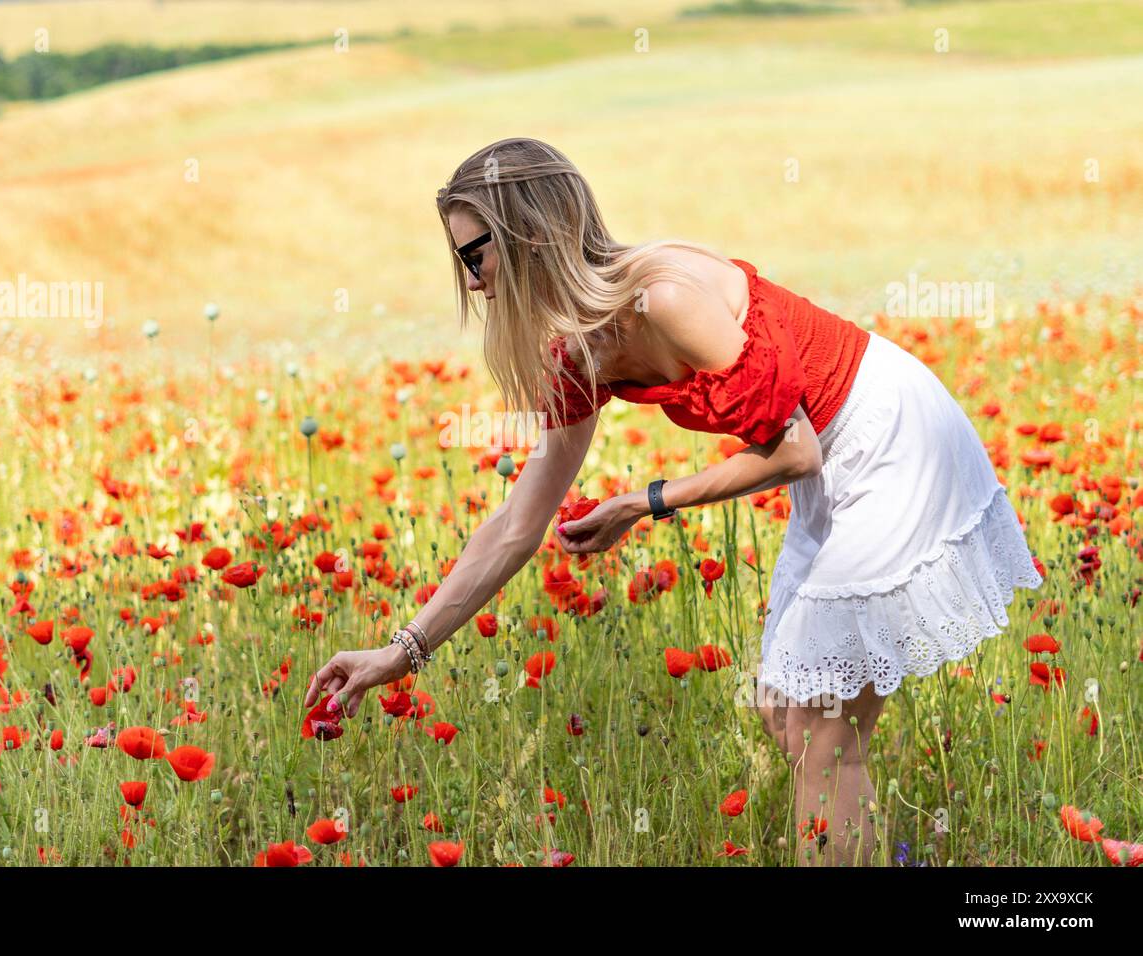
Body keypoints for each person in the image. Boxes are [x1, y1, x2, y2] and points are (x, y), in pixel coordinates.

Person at [303, 136, 1044, 865]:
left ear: (530, 236)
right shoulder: (578, 349)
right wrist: (403, 650)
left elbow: (794, 450)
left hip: (890, 435)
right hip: (832, 468)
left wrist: (642, 502)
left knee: (824, 738)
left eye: (475, 254)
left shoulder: (662, 296)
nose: (470, 281)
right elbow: (516, 527)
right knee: (787, 716)